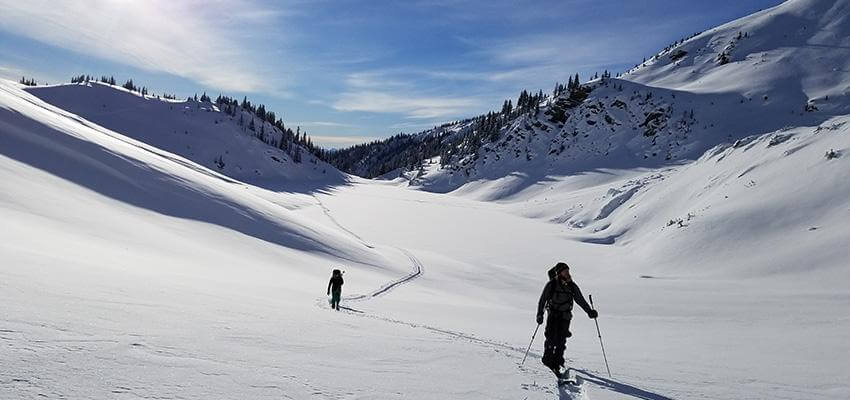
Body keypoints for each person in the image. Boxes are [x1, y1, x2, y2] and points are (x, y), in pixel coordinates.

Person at [536, 262, 598, 378]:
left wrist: (589, 311)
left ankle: (558, 361)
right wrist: (540, 314)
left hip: (565, 316)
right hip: (553, 315)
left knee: (561, 339)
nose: (568, 273)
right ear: (559, 273)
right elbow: (542, 300)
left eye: (568, 271)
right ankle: (548, 359)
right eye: (565, 271)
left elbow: (580, 299)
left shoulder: (572, 286)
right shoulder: (552, 284)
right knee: (551, 337)